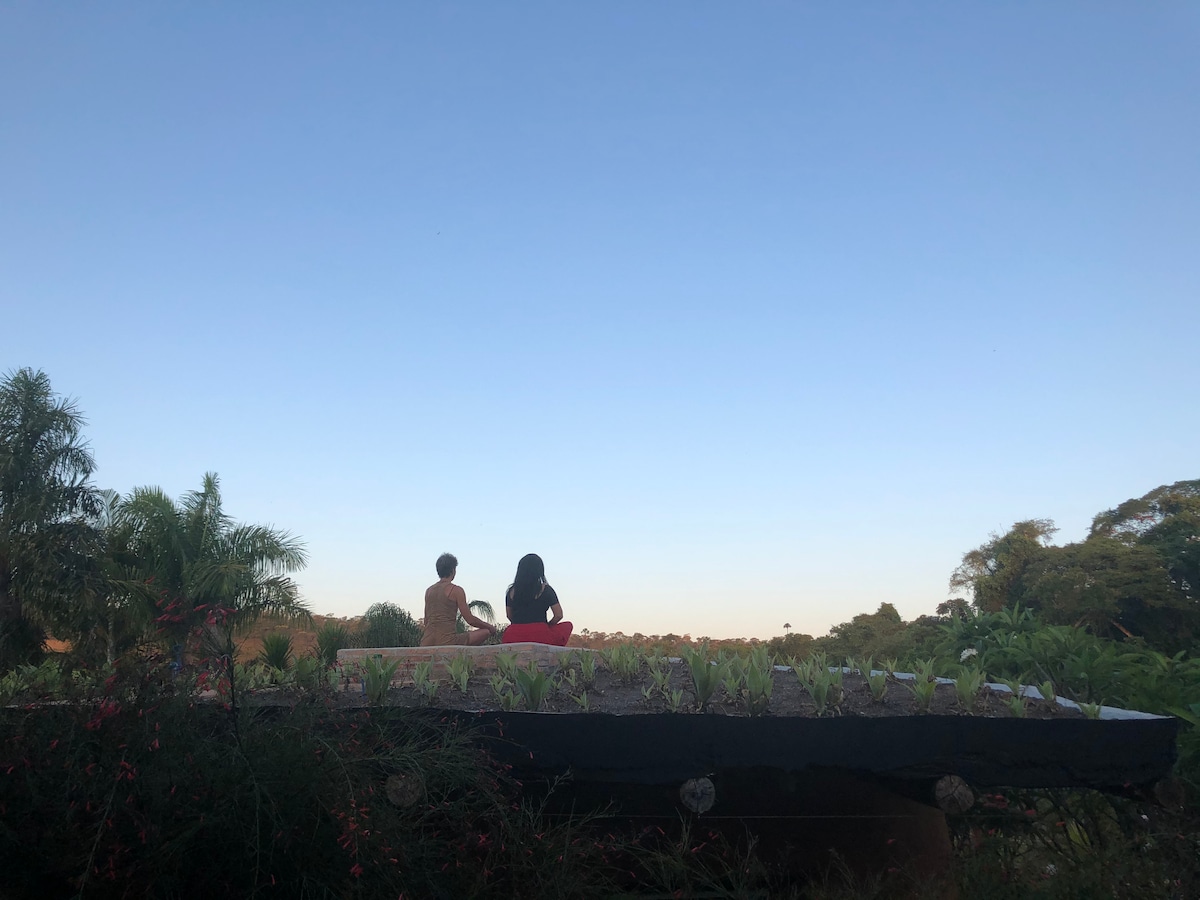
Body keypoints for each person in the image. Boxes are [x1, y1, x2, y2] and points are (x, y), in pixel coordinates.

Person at [421, 553, 497, 646]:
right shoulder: (456, 590)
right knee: (485, 632)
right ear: (453, 571)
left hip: (426, 642)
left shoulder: (429, 591)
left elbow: (426, 621)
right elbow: (470, 620)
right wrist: (490, 627)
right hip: (448, 641)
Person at [501, 553, 573, 646]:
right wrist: (548, 626)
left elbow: (509, 616)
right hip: (540, 634)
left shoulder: (511, 591)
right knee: (567, 625)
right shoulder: (546, 589)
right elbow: (558, 615)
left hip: (513, 635)